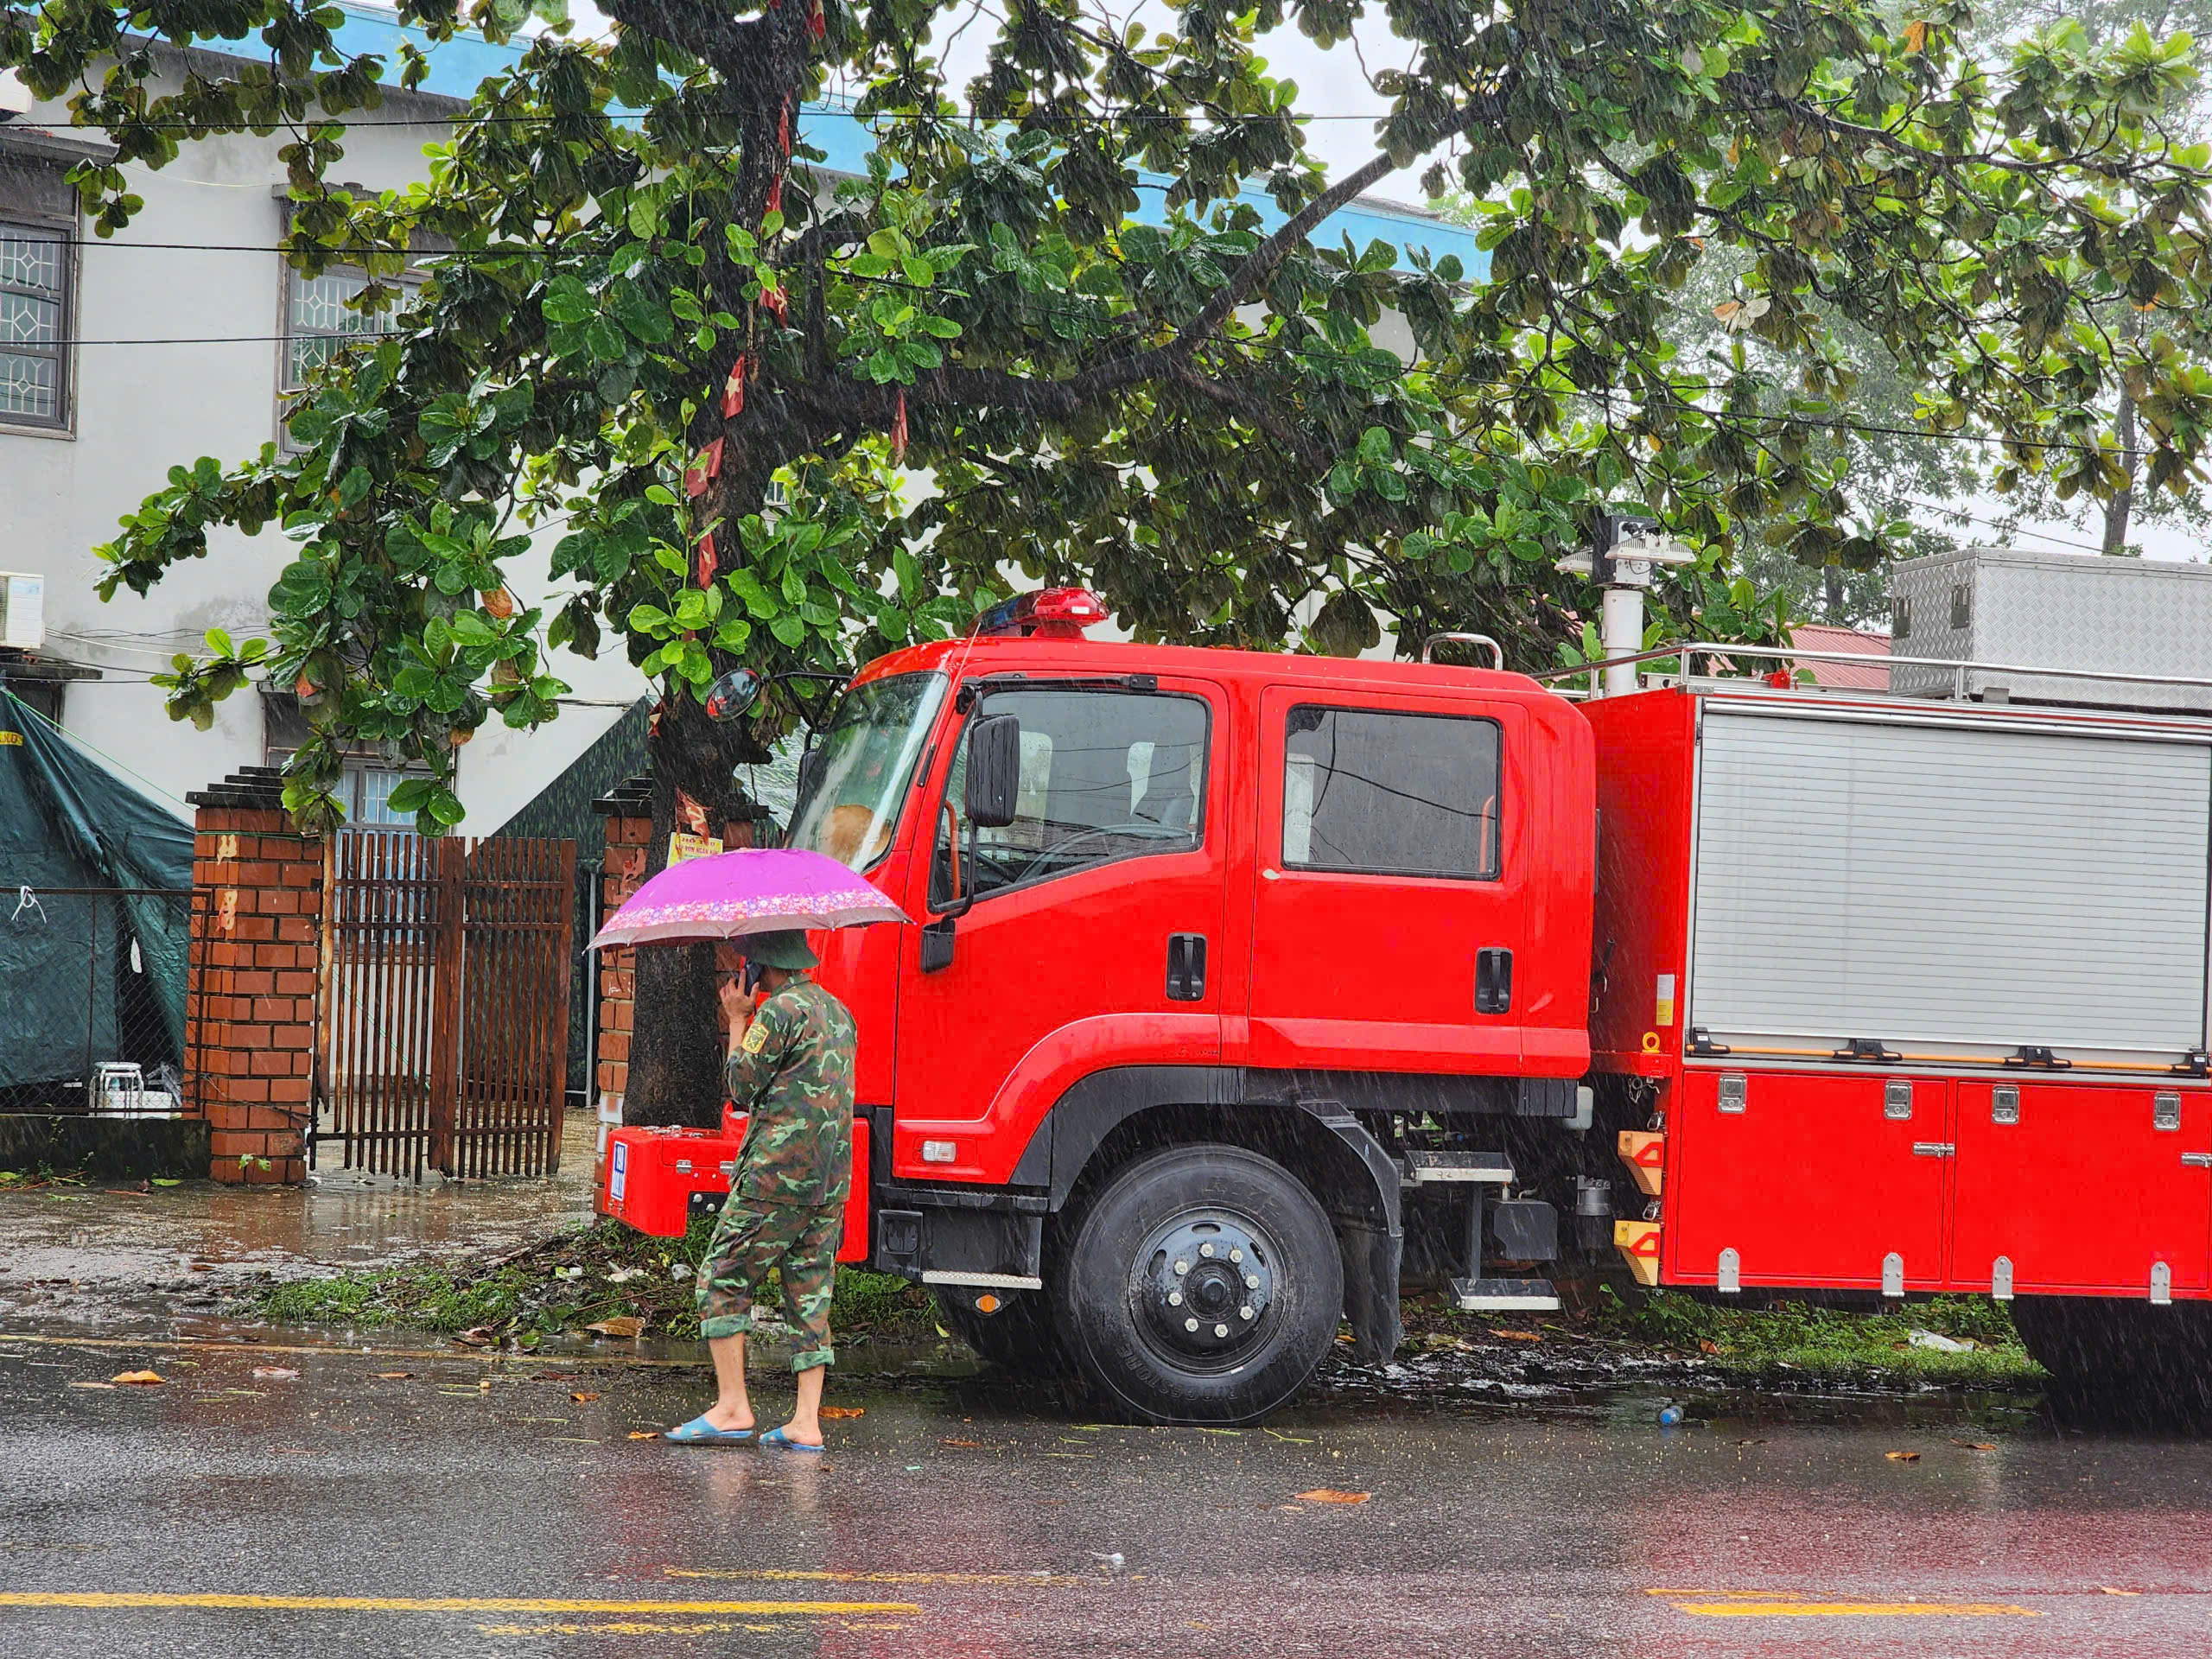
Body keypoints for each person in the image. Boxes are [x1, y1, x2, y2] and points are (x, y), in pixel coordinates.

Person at [666, 928, 857, 1450]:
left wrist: (735, 1019)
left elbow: (742, 1086)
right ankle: (806, 1422)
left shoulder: (777, 1012)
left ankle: (732, 1406)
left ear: (761, 967)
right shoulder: (841, 1014)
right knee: (810, 1292)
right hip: (829, 1180)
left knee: (722, 1275)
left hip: (775, 1177)